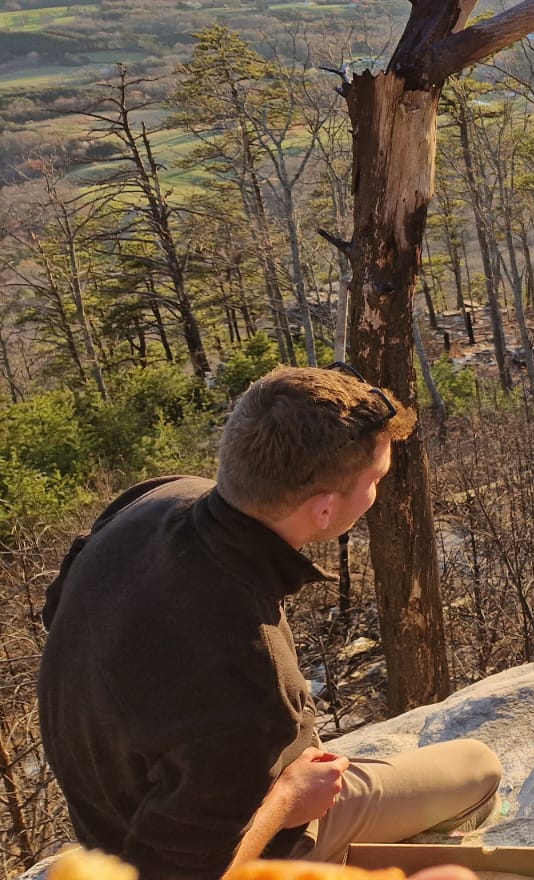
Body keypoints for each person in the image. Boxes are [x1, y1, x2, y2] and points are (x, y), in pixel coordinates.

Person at [38, 366, 503, 880]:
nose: (376, 495)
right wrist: (286, 798)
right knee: (478, 768)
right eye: (374, 482)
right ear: (324, 510)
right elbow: (173, 873)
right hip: (175, 851)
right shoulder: (251, 681)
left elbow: (57, 612)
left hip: (104, 806)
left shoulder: (155, 498)